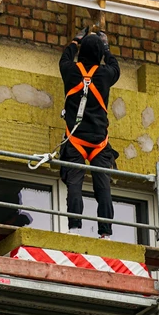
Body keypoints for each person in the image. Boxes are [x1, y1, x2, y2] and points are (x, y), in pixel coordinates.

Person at [59, 27, 120, 237]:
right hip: (99, 143)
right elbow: (115, 67)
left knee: (74, 184)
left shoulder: (71, 71)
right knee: (103, 187)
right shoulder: (104, 74)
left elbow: (64, 59)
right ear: (99, 55)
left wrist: (75, 42)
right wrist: (106, 46)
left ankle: (74, 228)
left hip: (75, 139)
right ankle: (106, 233)